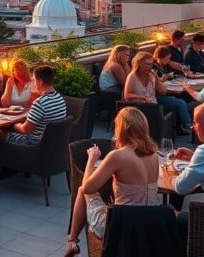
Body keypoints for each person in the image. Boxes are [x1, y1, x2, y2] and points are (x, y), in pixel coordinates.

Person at [64, 107, 161, 257]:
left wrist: (91, 160)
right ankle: (72, 241)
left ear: (121, 128)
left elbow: (89, 187)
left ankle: (71, 241)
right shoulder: (154, 154)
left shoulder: (118, 156)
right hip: (147, 224)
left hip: (119, 228)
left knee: (82, 190)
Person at [125, 51, 191, 135]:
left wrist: (180, 91)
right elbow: (127, 95)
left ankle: (187, 126)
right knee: (174, 104)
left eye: (151, 64)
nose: (150, 67)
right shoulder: (132, 76)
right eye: (147, 64)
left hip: (153, 104)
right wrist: (144, 98)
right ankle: (186, 127)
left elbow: (163, 91)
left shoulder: (152, 74)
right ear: (139, 64)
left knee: (178, 101)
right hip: (139, 106)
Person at [5, 65, 67, 145]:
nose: (33, 83)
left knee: (1, 133)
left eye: (34, 80)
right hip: (52, 143)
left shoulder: (40, 103)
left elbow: (25, 130)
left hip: (34, 144)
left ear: (40, 82)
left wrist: (15, 125)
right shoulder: (60, 98)